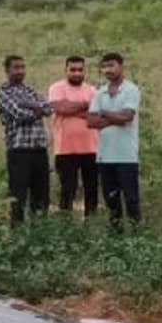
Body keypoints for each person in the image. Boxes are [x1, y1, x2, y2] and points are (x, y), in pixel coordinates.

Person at [0, 54, 53, 227]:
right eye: (16, 67)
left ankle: (39, 233)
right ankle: (17, 235)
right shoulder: (3, 92)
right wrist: (37, 108)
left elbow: (49, 108)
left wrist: (31, 105)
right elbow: (20, 114)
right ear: (7, 70)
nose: (20, 71)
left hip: (39, 149)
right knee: (18, 197)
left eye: (22, 67)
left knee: (41, 196)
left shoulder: (29, 90)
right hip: (19, 151)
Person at [87, 52, 141, 230]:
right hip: (104, 156)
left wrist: (104, 113)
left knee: (131, 199)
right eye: (104, 66)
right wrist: (115, 117)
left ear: (121, 66)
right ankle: (115, 238)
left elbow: (127, 117)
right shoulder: (99, 91)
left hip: (126, 156)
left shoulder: (131, 89)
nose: (107, 70)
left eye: (111, 65)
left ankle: (136, 236)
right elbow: (91, 122)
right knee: (111, 201)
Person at [48, 56, 100, 216]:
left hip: (91, 148)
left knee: (92, 191)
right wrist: (85, 105)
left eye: (80, 70)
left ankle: (91, 225)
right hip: (65, 149)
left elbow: (97, 117)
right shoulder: (56, 88)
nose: (77, 73)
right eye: (73, 70)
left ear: (85, 70)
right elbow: (60, 108)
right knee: (67, 191)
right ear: (66, 71)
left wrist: (70, 107)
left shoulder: (92, 90)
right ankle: (66, 226)